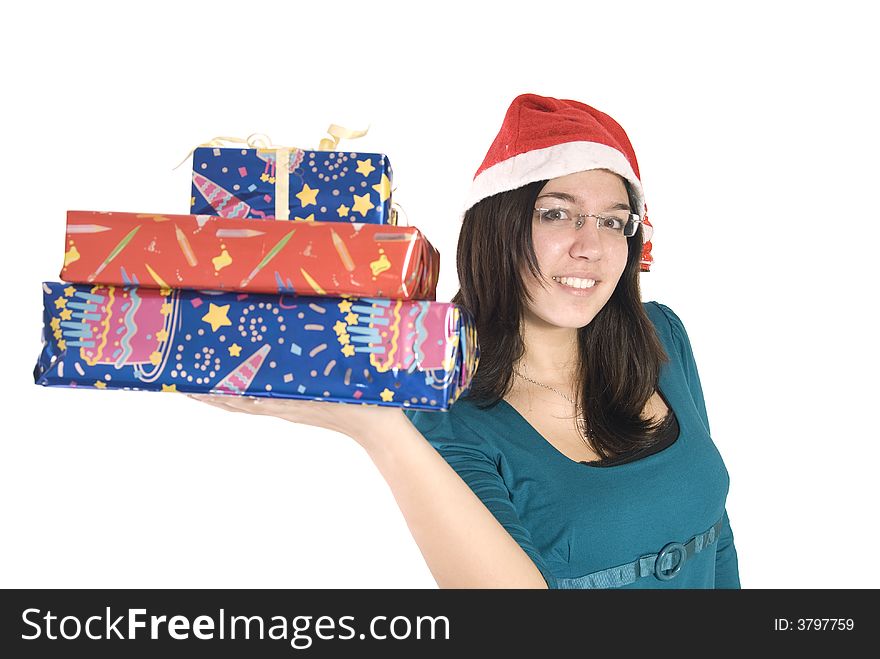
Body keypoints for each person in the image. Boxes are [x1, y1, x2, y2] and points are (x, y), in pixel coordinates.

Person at [189, 93, 740, 589]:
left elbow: (716, 534)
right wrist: (374, 425)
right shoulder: (443, 405)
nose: (590, 247)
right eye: (556, 214)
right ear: (496, 228)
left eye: (614, 222)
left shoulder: (661, 336)